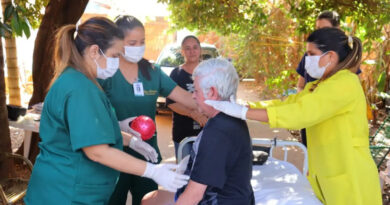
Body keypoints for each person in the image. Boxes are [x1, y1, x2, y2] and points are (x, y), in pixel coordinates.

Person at [206, 28, 382, 204]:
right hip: (331, 178)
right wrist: (245, 107)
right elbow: (288, 104)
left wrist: (244, 113)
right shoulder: (320, 85)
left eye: (311, 53)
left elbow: (301, 113)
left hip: (351, 179)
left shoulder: (345, 84)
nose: (306, 59)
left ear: (330, 56)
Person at [25, 17, 188, 204]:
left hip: (66, 189)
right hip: (67, 193)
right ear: (95, 51)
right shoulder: (80, 88)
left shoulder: (79, 80)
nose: (118, 62)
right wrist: (152, 171)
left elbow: (87, 132)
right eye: (114, 56)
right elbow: (97, 151)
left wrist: (129, 139)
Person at [97, 15, 197, 205]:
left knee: (147, 200)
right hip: (113, 152)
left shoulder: (152, 71)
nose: (138, 47)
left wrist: (216, 105)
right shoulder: (106, 72)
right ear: (118, 43)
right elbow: (92, 115)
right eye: (132, 42)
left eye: (142, 42)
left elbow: (185, 97)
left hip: (147, 152)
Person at [142, 58, 255, 205]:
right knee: (150, 199)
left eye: (196, 90)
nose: (193, 96)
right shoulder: (232, 117)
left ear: (213, 93)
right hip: (237, 196)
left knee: (150, 200)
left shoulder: (217, 132)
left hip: (219, 200)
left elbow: (193, 196)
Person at [296, 10, 361, 146]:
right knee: (311, 157)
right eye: (317, 29)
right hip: (310, 118)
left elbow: (356, 89)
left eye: (324, 29)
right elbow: (301, 85)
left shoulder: (346, 57)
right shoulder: (309, 55)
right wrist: (304, 100)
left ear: (337, 29)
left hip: (333, 124)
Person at [166, 35, 208, 159]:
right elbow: (171, 103)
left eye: (195, 47)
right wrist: (192, 113)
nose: (192, 51)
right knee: (183, 174)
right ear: (182, 51)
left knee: (205, 172)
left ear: (200, 50)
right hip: (182, 135)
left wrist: (205, 114)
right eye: (187, 48)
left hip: (207, 133)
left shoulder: (210, 72)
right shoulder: (176, 73)